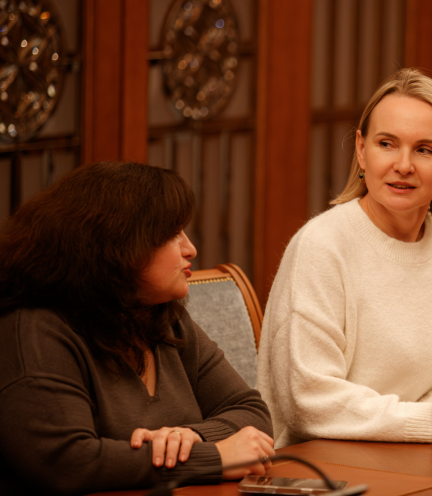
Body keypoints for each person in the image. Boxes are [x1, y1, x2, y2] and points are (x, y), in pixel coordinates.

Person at [256, 68, 432, 449]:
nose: (403, 165)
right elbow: (308, 402)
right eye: (387, 144)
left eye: (424, 150)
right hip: (323, 464)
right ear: (362, 151)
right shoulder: (320, 246)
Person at [0, 162, 275, 495]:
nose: (190, 249)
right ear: (117, 247)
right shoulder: (34, 330)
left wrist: (189, 437)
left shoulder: (164, 318)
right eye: (172, 234)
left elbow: (252, 412)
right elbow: (67, 463)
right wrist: (213, 457)